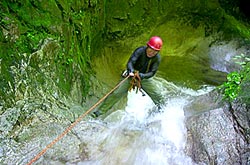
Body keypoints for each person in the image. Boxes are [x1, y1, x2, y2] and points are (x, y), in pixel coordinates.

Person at [92, 36, 165, 118]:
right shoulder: (140, 51)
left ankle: (163, 111)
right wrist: (131, 71)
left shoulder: (157, 58)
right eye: (151, 49)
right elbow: (130, 62)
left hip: (143, 77)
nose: (152, 53)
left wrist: (141, 75)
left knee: (157, 95)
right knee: (117, 93)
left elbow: (152, 73)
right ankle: (99, 112)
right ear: (147, 46)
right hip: (131, 74)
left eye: (155, 51)